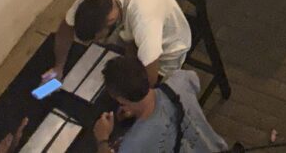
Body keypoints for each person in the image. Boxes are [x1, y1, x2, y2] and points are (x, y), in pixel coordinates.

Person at [52, 0, 191, 88]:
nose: (98, 42)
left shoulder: (144, 20)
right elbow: (67, 26)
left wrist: (131, 104)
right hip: (134, 36)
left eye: (99, 38)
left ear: (110, 21)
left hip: (169, 48)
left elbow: (151, 77)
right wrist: (58, 67)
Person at [95, 56, 227, 153]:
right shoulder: (180, 81)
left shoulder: (133, 144)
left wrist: (102, 139)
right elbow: (194, 81)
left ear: (120, 99)